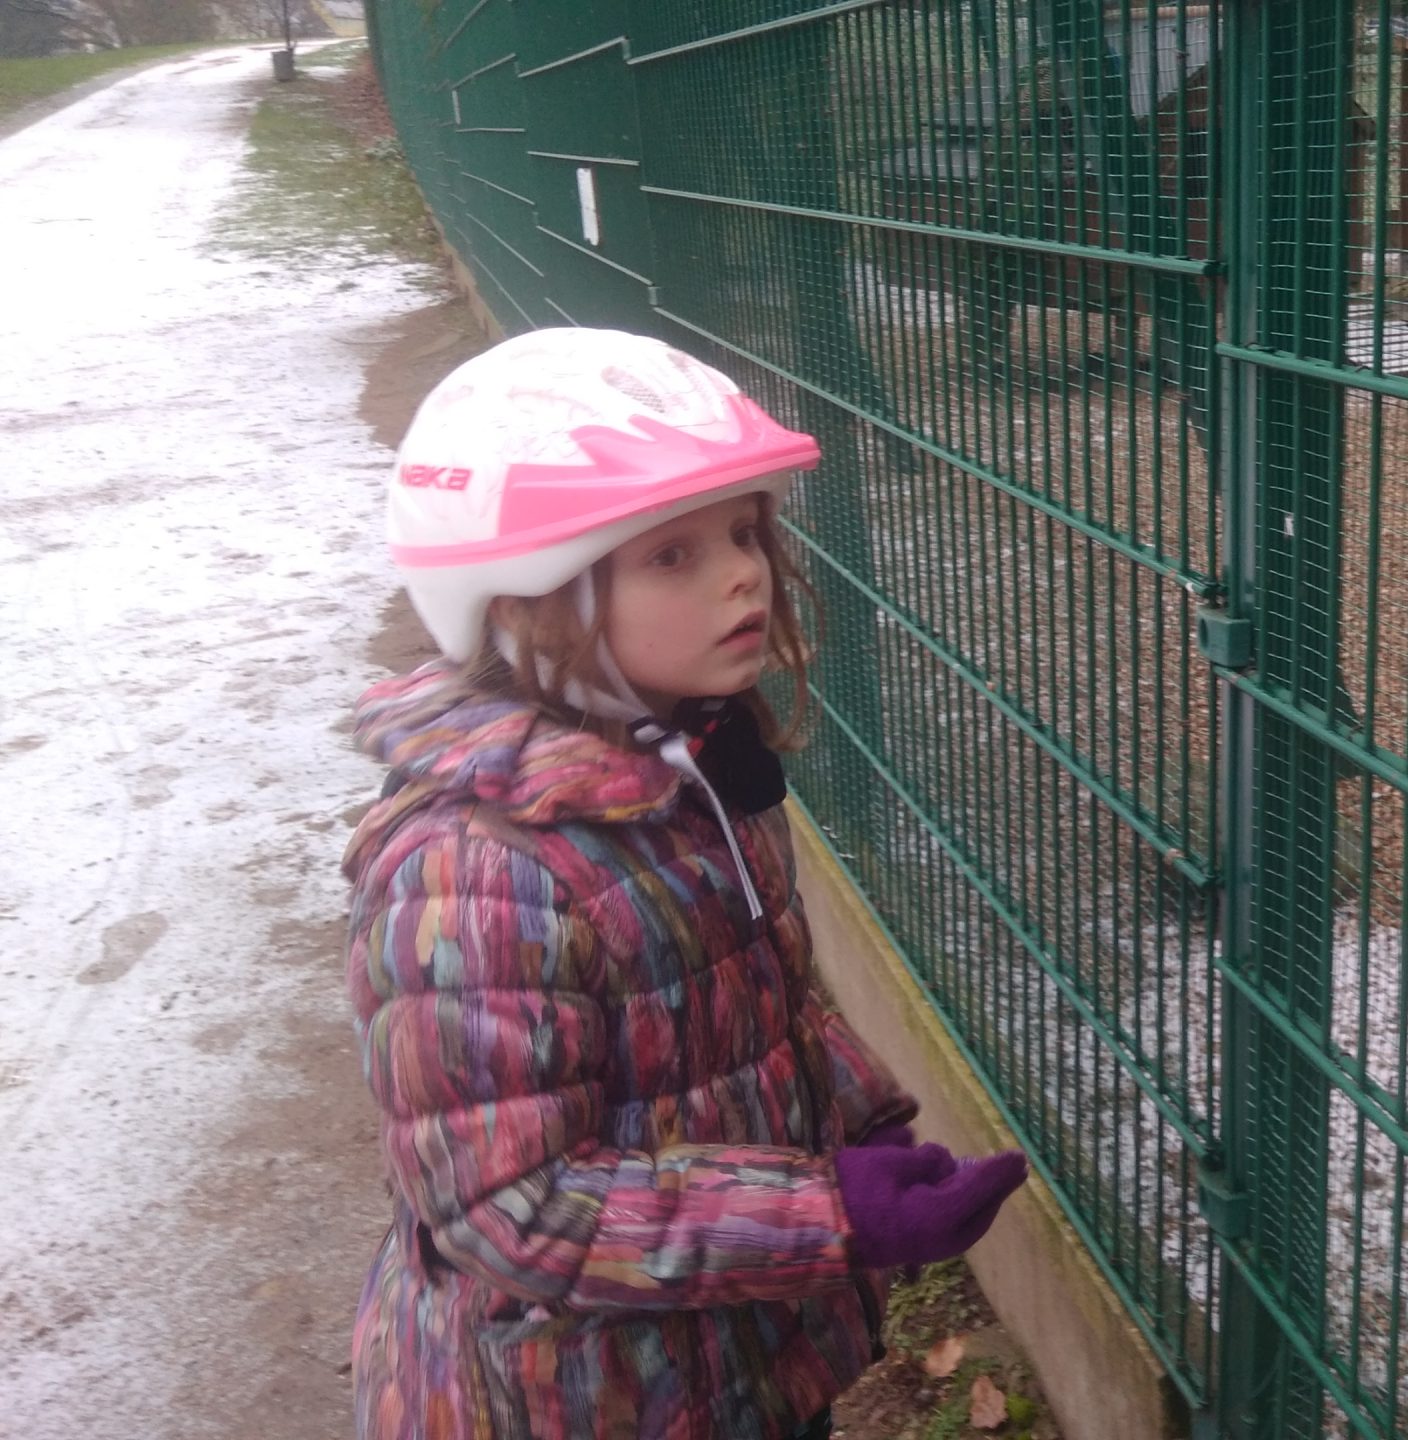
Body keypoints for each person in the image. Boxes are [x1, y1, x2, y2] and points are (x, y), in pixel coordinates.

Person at [341, 326, 1028, 1439]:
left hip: (730, 1363)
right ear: (523, 600)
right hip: (575, 1399)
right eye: (672, 555)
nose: (744, 573)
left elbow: (757, 1004)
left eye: (744, 532)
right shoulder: (475, 877)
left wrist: (865, 1130)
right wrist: (825, 1214)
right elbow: (509, 1204)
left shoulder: (687, 772)